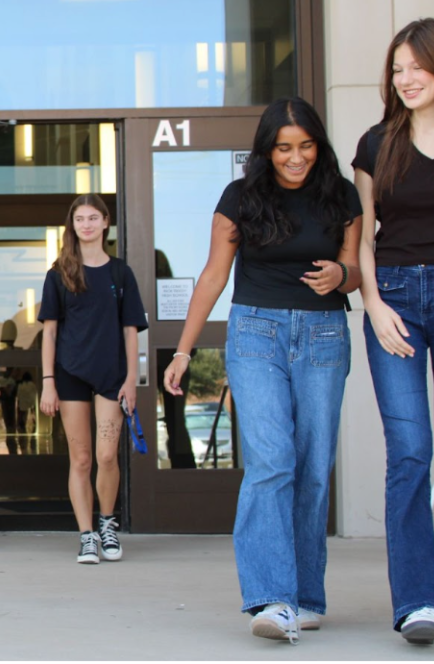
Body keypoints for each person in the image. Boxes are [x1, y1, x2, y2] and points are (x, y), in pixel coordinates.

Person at [163, 97, 362, 643]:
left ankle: (305, 595)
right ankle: (272, 600)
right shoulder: (241, 197)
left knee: (314, 465)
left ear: (318, 146)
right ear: (267, 150)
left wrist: (341, 275)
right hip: (255, 333)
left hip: (324, 334)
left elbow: (357, 272)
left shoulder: (341, 195)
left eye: (305, 146)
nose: (295, 158)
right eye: (283, 148)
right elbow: (211, 277)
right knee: (272, 462)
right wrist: (183, 350)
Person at [351, 17, 434, 646]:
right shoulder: (375, 144)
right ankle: (418, 603)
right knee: (410, 453)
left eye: (416, 66)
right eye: (396, 68)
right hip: (397, 301)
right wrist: (376, 305)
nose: (405, 78)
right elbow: (361, 238)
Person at [37, 194, 147, 565]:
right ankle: (86, 535)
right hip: (69, 376)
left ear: (105, 223)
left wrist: (132, 380)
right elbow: (49, 333)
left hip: (111, 376)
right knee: (81, 459)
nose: (86, 224)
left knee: (106, 456)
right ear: (73, 225)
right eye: (79, 218)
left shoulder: (121, 273)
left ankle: (107, 524)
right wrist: (48, 381)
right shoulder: (59, 274)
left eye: (92, 218)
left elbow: (131, 331)